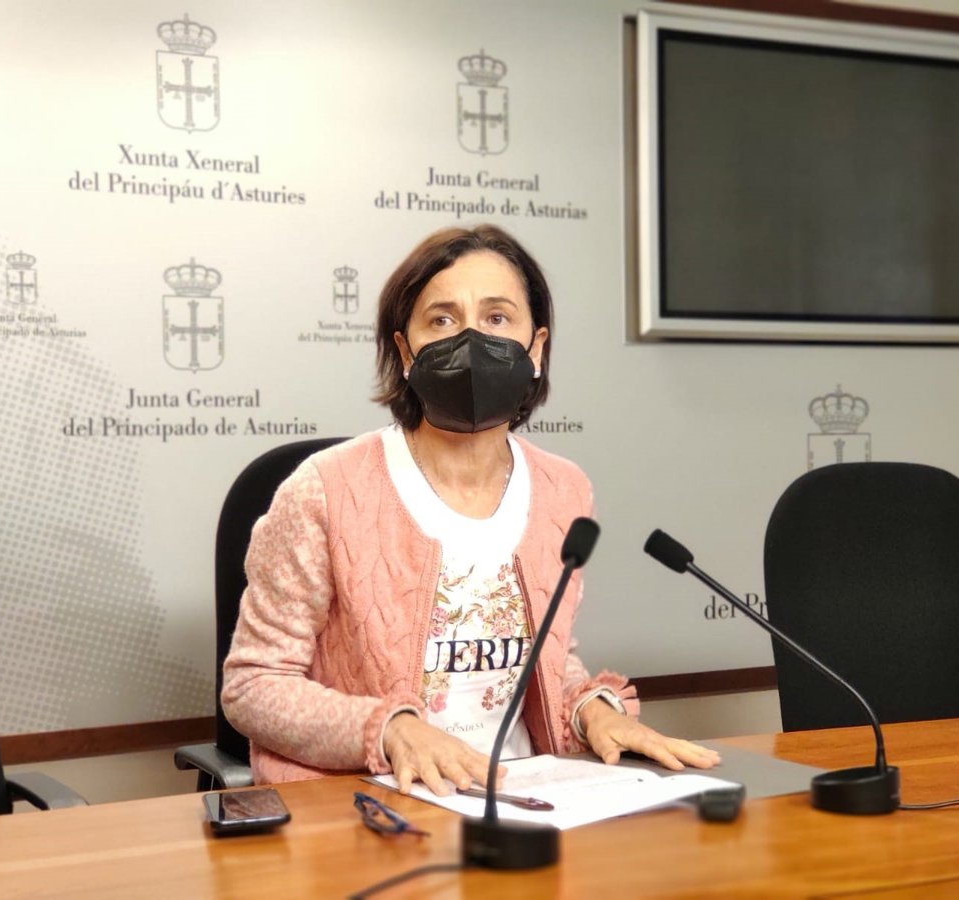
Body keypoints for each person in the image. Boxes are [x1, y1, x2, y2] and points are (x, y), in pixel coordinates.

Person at [221, 224, 719, 795]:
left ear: (536, 347)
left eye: (497, 317)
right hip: (371, 802)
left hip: (522, 792)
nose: (471, 339)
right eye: (442, 320)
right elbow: (253, 685)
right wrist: (392, 731)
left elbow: (546, 662)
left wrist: (593, 712)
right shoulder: (324, 490)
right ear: (405, 352)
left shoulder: (564, 489)